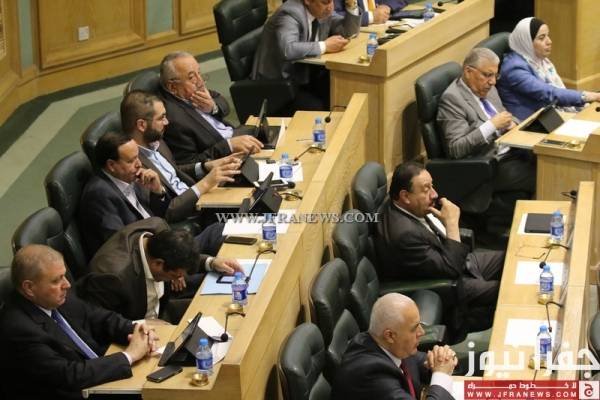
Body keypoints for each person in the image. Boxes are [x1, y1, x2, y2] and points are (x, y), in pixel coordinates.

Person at [0, 244, 158, 399]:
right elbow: (68, 375)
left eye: (64, 276)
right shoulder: (18, 329)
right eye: (56, 280)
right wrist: (130, 355)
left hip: (100, 378)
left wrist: (137, 331)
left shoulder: (54, 298)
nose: (67, 284)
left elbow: (101, 318)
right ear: (29, 288)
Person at [376, 162, 504, 334]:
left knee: (509, 259)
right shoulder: (404, 235)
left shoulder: (410, 208)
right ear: (405, 196)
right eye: (426, 189)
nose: (434, 194)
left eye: (432, 186)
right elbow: (452, 269)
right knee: (507, 290)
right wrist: (452, 223)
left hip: (457, 261)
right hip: (450, 283)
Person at [78, 130, 234, 256]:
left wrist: (158, 192)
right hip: (153, 257)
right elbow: (121, 245)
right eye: (131, 160)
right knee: (218, 234)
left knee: (222, 229)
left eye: (137, 157)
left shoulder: (129, 176)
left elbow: (162, 215)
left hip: (166, 243)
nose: (139, 164)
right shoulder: (99, 195)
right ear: (111, 165)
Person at [78, 217, 242, 323]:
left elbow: (178, 253)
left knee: (222, 311)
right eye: (175, 275)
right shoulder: (112, 278)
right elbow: (103, 325)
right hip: (140, 330)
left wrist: (211, 262)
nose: (179, 279)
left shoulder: (157, 228)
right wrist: (143, 325)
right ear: (158, 264)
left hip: (162, 309)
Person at [437, 47, 535, 202]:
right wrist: (491, 126)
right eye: (488, 75)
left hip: (512, 151)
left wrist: (513, 124)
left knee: (551, 158)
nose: (493, 82)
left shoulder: (488, 89)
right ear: (468, 72)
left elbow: (506, 116)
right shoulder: (452, 99)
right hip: (488, 166)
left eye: (495, 75)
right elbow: (456, 148)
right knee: (543, 173)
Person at [332, 293, 457, 400]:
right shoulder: (370, 375)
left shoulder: (390, 345)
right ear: (390, 335)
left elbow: (418, 362)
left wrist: (440, 360)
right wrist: (441, 375)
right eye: (414, 328)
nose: (422, 332)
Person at [251, 0, 361, 110]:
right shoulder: (290, 13)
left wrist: (351, 6)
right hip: (279, 84)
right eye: (325, 2)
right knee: (324, 104)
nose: (330, 7)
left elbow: (349, 32)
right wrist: (324, 46)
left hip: (305, 74)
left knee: (344, 89)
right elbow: (288, 49)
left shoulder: (322, 11)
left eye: (331, 1)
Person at [159, 51, 264, 165]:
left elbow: (222, 102)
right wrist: (228, 146)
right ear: (173, 87)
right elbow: (190, 163)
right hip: (228, 156)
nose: (200, 81)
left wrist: (213, 107)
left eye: (199, 73)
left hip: (235, 133)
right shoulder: (174, 120)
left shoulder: (193, 91)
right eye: (192, 77)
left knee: (274, 133)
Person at [497, 17, 600, 121]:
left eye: (547, 35)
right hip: (533, 124)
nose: (549, 41)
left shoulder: (539, 60)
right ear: (526, 41)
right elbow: (549, 93)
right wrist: (589, 96)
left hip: (550, 115)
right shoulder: (514, 69)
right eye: (541, 38)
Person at [334, 0, 407, 26]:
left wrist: (386, 6)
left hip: (383, 29)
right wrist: (370, 17)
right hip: (355, 39)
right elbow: (333, 15)